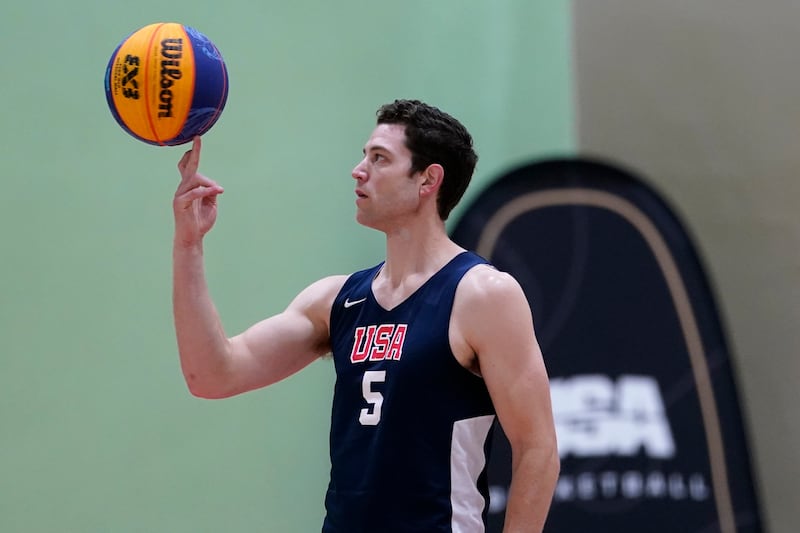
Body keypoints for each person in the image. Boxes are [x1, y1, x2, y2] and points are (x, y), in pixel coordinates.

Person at [172, 99, 559, 532]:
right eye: (364, 156)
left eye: (379, 159)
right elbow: (211, 375)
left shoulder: (483, 295)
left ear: (428, 180)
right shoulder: (336, 299)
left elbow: (537, 448)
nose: (359, 170)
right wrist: (189, 244)